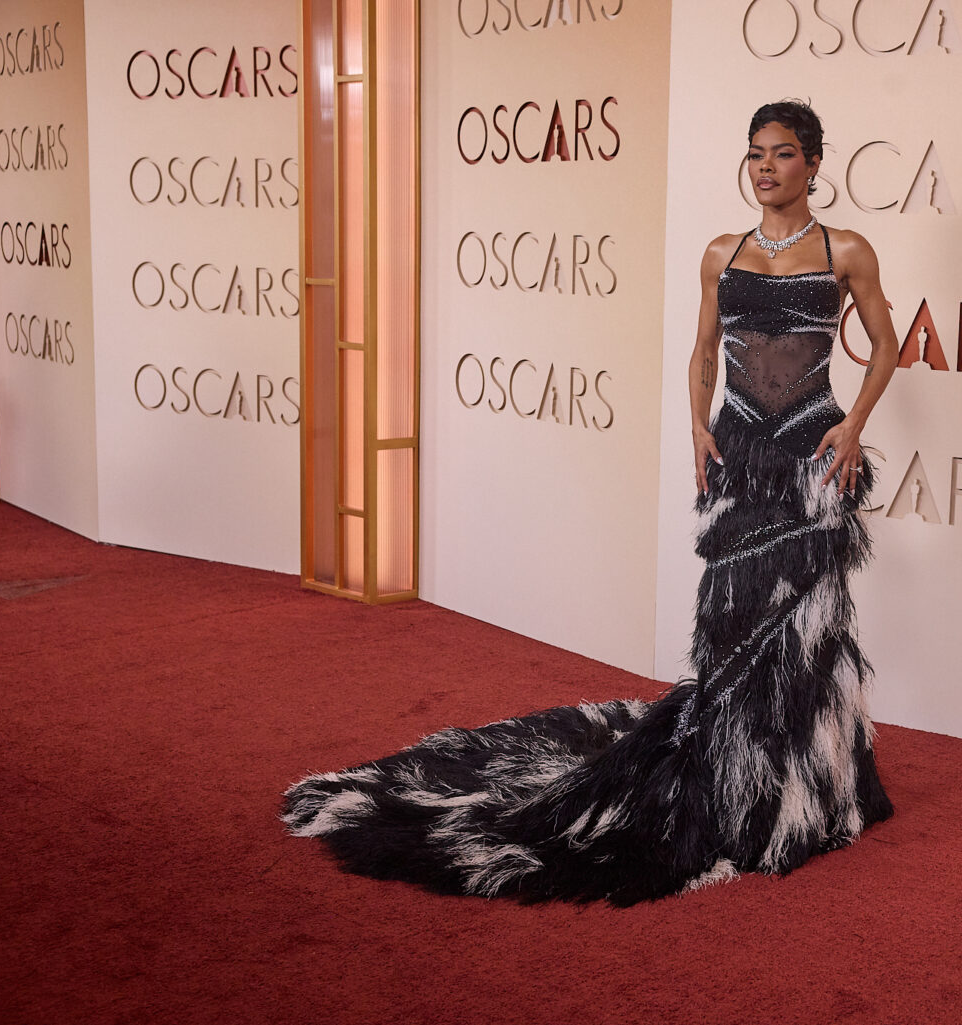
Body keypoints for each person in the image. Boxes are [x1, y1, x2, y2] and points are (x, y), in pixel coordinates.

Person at [281, 99, 900, 905]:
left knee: (812, 616)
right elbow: (705, 348)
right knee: (733, 617)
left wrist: (853, 427)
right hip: (741, 448)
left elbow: (885, 345)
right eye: (754, 154)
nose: (764, 168)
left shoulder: (845, 249)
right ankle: (736, 770)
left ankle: (809, 781)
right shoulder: (723, 252)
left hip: (812, 450)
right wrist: (696, 431)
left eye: (781, 154)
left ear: (813, 163)